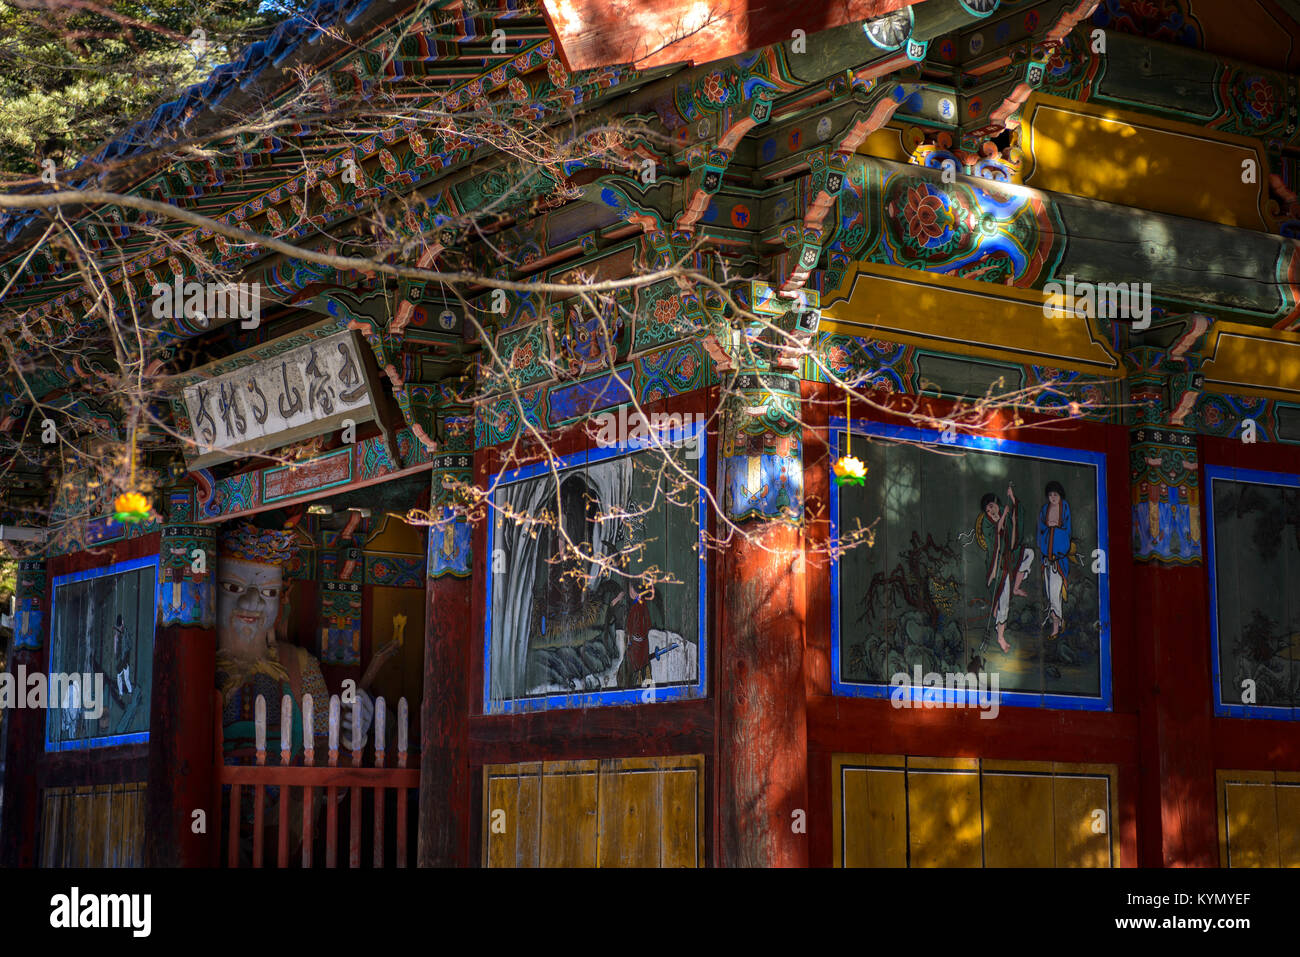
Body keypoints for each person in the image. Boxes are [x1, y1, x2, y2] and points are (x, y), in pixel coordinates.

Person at [977, 483, 1033, 653]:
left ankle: (1016, 587)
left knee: (1029, 553)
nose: (992, 511)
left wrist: (1012, 497)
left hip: (1011, 558)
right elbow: (996, 534)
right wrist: (1004, 516)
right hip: (998, 567)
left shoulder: (1004, 512)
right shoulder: (987, 524)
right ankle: (1000, 637)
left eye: (993, 506)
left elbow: (1017, 517)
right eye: (988, 509)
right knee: (1004, 603)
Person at [1037, 481, 1073, 638]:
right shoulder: (1044, 509)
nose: (1053, 497)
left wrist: (1055, 529)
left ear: (1060, 496)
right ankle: (1058, 622)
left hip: (1059, 560)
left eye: (1055, 494)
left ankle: (1056, 626)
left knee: (1054, 594)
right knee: (1050, 593)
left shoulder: (1065, 508)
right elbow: (1040, 531)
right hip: (1046, 559)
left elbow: (1067, 530)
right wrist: (1048, 529)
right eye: (1050, 494)